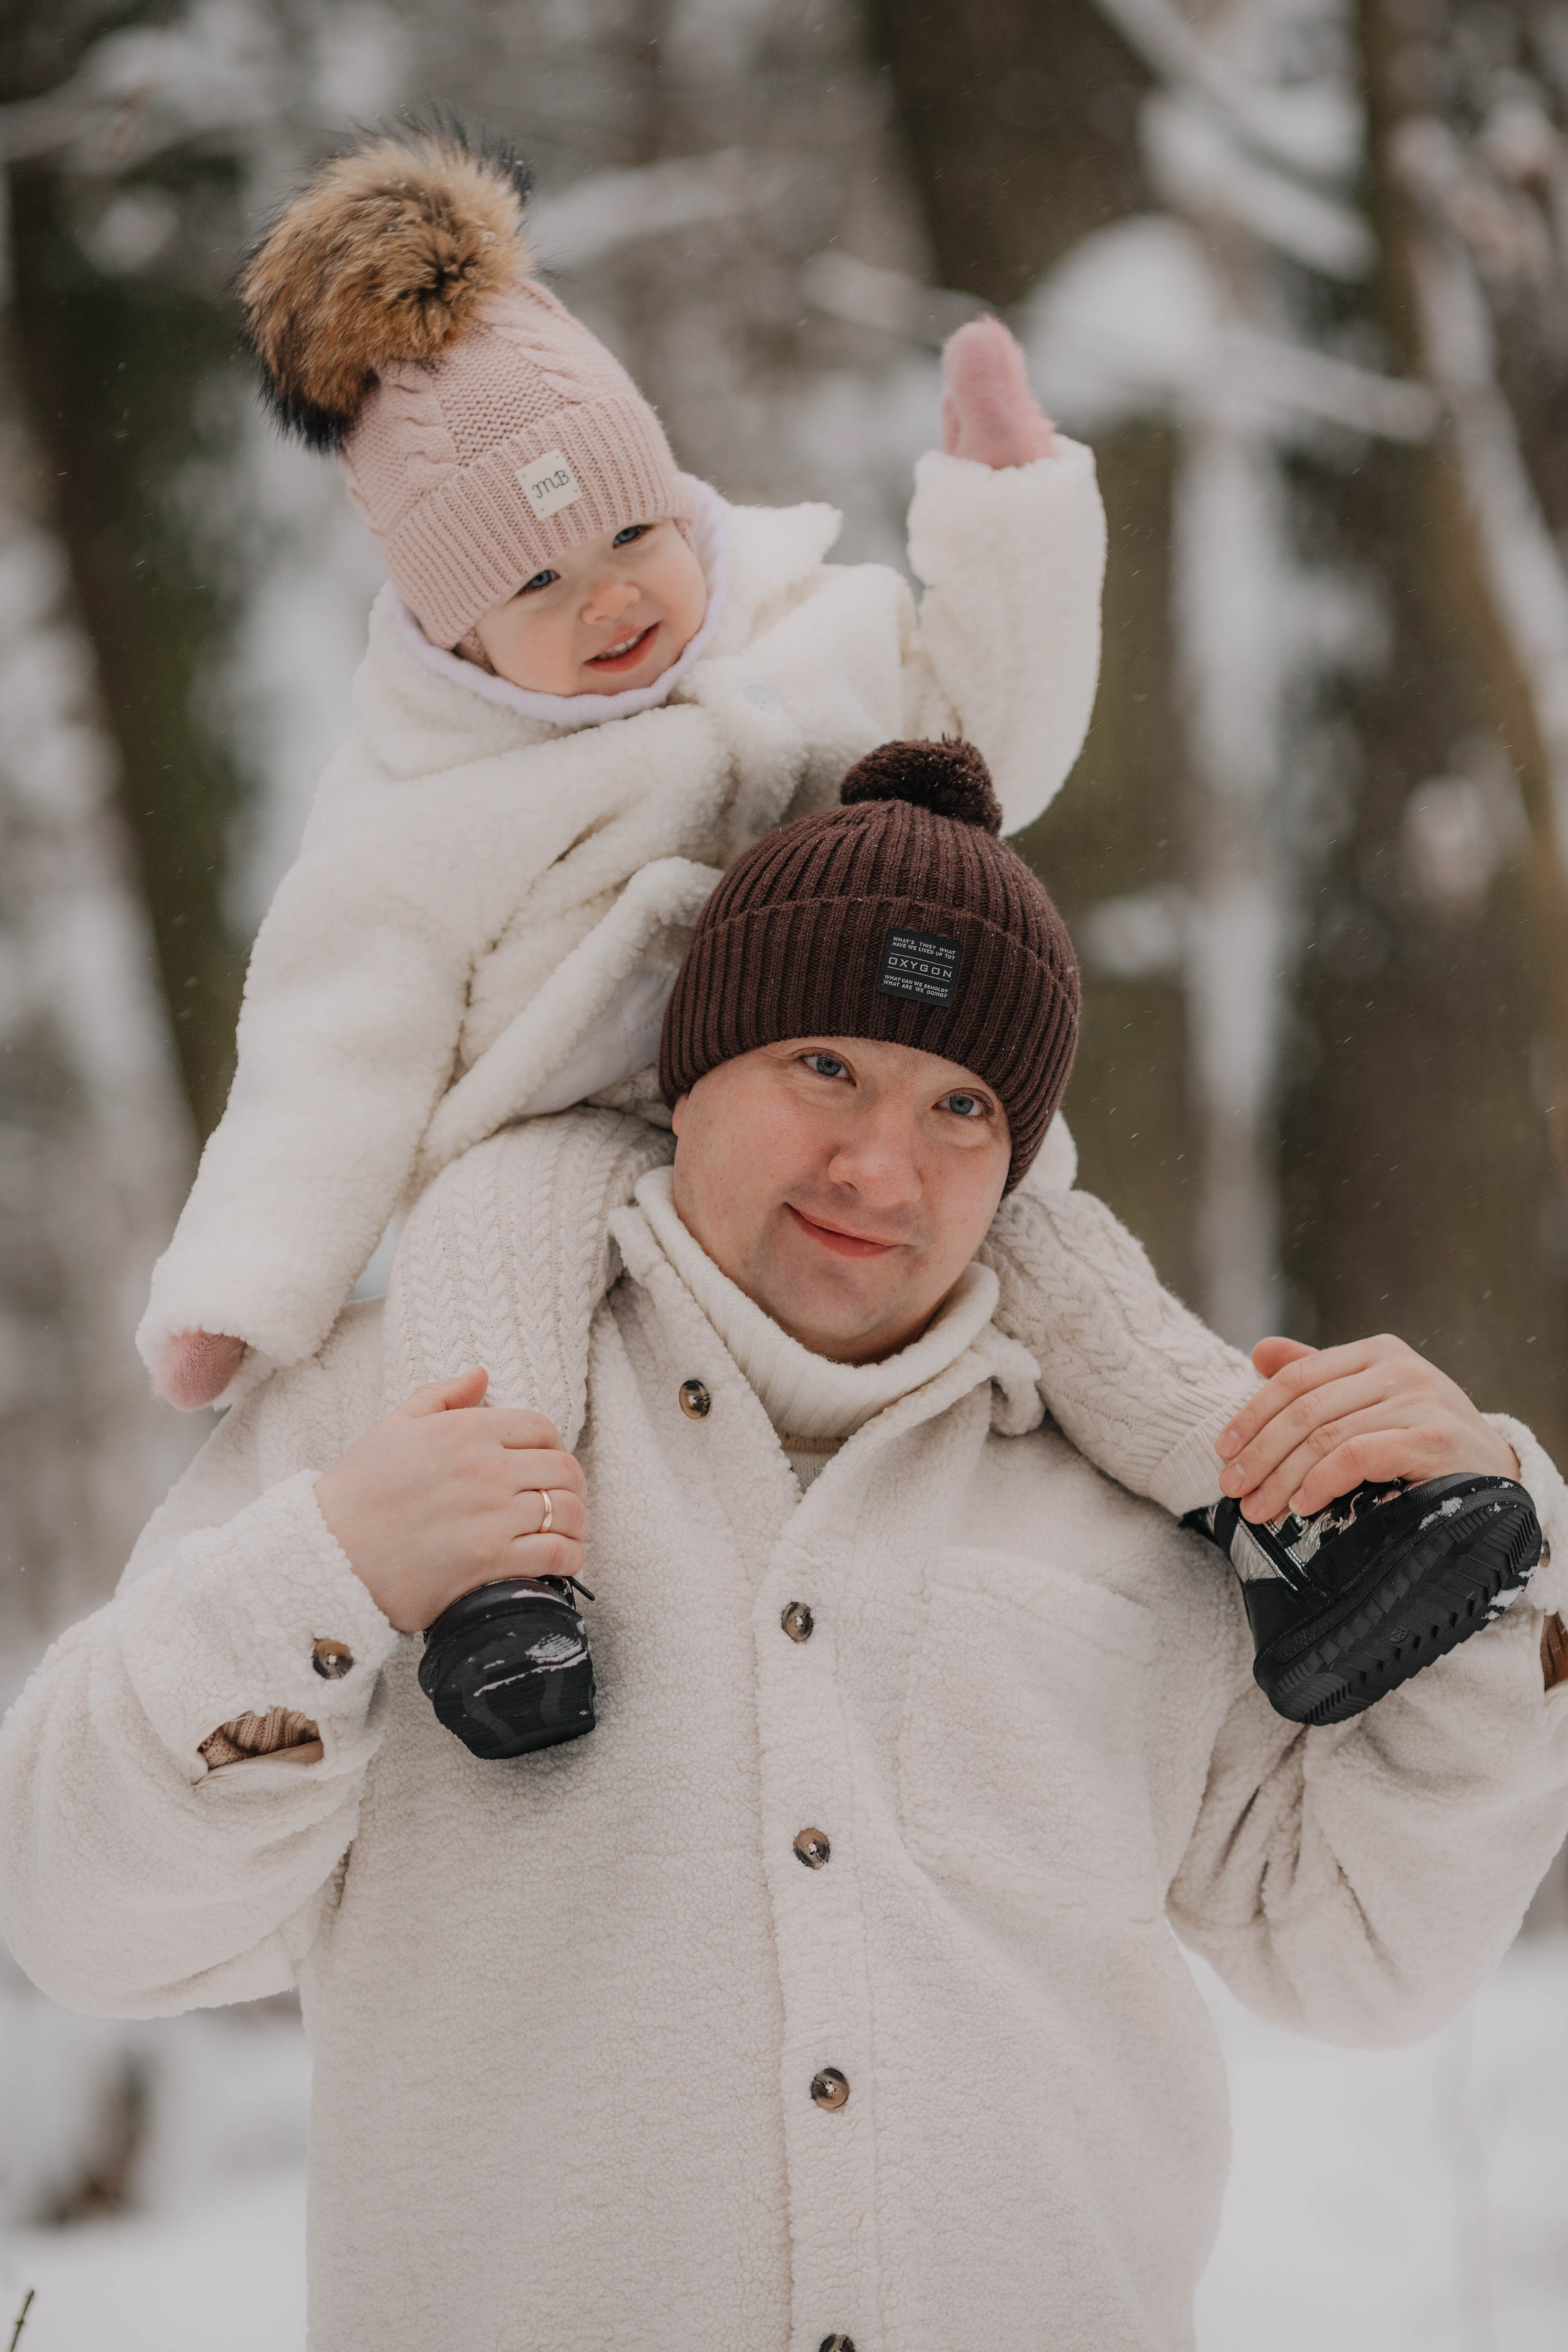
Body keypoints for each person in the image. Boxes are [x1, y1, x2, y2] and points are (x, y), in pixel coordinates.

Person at [5, 742, 1566, 2352]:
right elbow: (82, 1916)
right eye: (825, 1065)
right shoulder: (401, 1413)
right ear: (694, 1070)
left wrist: (1498, 1569)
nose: (881, 1171)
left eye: (961, 1106)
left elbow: (1376, 1956)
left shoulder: (1135, 1506)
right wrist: (325, 1575)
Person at [140, 122, 1106, 1411]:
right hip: (582, 1129)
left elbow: (996, 750)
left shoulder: (815, 629)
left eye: (630, 533)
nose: (609, 599)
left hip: (850, 1096)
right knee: (493, 1231)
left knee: (1048, 1228)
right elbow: (332, 1054)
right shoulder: (423, 806)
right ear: (456, 631)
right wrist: (246, 1282)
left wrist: (1007, 512)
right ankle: (509, 1577)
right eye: (538, 581)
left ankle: (1269, 1490)